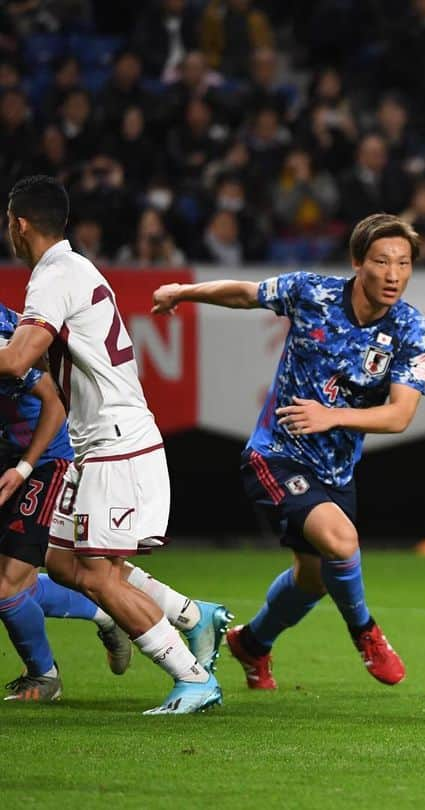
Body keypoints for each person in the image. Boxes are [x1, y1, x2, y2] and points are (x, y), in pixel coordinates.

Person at [150, 213, 425, 691]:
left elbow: (400, 415)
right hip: (276, 454)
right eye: (382, 261)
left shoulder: (410, 327)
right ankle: (366, 632)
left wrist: (332, 416)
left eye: (403, 263)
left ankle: (251, 644)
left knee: (314, 577)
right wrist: (183, 291)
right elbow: (246, 293)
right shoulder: (311, 293)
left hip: (336, 470)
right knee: (342, 542)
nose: (393, 274)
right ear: (358, 262)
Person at [0, 175, 231, 715]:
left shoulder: (54, 276)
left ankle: (193, 679)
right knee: (61, 564)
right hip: (95, 443)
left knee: (98, 576)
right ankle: (194, 616)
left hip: (115, 442)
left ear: (19, 224)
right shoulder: (70, 270)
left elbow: (16, 361)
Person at [0, 302, 132, 700]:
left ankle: (45, 676)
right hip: (9, 457)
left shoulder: (4, 341)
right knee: (16, 583)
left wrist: (25, 467)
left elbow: (54, 403)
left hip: (43, 462)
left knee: (6, 586)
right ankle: (106, 611)